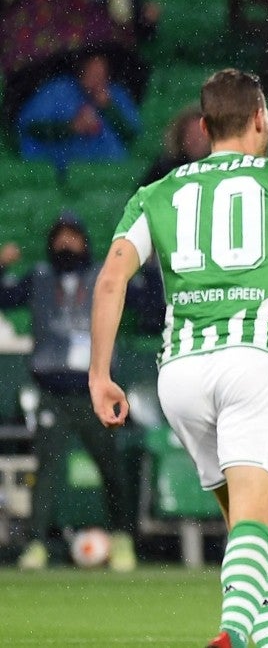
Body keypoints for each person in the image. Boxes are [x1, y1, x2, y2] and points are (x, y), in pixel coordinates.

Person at [88, 68, 268, 648]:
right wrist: (262, 301)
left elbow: (110, 279)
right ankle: (230, 634)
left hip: (182, 375)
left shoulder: (159, 192)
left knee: (247, 532)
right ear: (261, 119)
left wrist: (100, 374)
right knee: (253, 524)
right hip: (253, 362)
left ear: (203, 126)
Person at [2, 212, 159, 572]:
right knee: (45, 471)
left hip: (95, 389)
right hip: (51, 388)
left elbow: (149, 305)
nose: (66, 244)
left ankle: (122, 538)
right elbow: (6, 297)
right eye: (60, 237)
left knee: (112, 467)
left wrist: (151, 270)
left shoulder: (104, 276)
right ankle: (36, 543)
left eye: (73, 236)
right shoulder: (39, 278)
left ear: (85, 241)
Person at [16, 51, 140, 170]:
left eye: (102, 74)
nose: (97, 80)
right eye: (93, 73)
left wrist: (109, 108)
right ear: (81, 72)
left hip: (104, 170)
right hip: (55, 167)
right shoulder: (58, 90)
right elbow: (30, 126)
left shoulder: (115, 94)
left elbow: (131, 134)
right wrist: (71, 127)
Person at [143, 105, 212, 184]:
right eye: (190, 134)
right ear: (180, 137)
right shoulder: (165, 167)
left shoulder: (221, 167)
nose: (195, 140)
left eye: (200, 135)